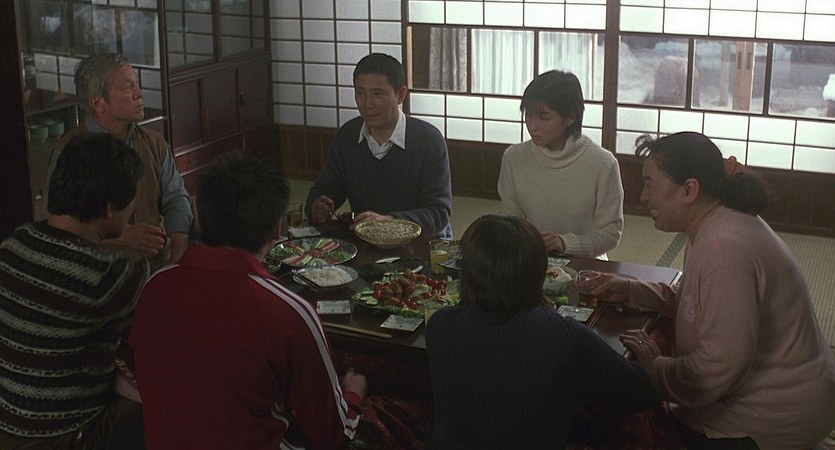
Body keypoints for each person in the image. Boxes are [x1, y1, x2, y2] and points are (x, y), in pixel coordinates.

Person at [596, 132, 835, 449]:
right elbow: (695, 303)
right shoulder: (713, 225)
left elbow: (720, 365)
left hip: (774, 413)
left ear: (689, 190)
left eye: (650, 185)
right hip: (781, 395)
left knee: (630, 423)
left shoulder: (724, 245)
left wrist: (657, 369)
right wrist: (630, 290)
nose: (643, 197)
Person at [130, 152, 367, 450]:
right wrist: (353, 395)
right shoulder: (288, 313)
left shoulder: (154, 287)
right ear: (277, 230)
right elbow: (332, 435)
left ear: (197, 214)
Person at [425, 214, 658, 449]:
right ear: (538, 272)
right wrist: (651, 365)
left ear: (466, 273)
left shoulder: (439, 325)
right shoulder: (561, 334)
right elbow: (640, 393)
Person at [0, 133, 149, 449]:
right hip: (65, 436)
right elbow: (159, 322)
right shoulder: (108, 275)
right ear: (109, 209)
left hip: (8, 427)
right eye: (131, 202)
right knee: (161, 411)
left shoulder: (14, 244)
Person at [47, 52, 193, 266]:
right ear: (98, 102)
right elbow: (59, 225)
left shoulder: (153, 143)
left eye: (137, 84)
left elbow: (176, 197)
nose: (139, 94)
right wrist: (121, 235)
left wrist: (178, 249)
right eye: (127, 87)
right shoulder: (69, 152)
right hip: (97, 267)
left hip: (157, 262)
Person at [306, 53, 453, 238]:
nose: (368, 104)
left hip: (421, 243)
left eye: (378, 94)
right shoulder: (348, 136)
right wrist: (317, 206)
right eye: (360, 93)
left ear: (400, 95)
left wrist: (389, 222)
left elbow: (438, 213)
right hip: (367, 240)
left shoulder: (429, 141)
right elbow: (325, 189)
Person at [497, 70, 623, 258]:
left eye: (544, 118)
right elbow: (511, 221)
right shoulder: (514, 157)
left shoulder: (602, 163)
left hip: (586, 262)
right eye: (528, 115)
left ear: (570, 118)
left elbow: (610, 233)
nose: (532, 125)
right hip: (532, 257)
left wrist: (565, 243)